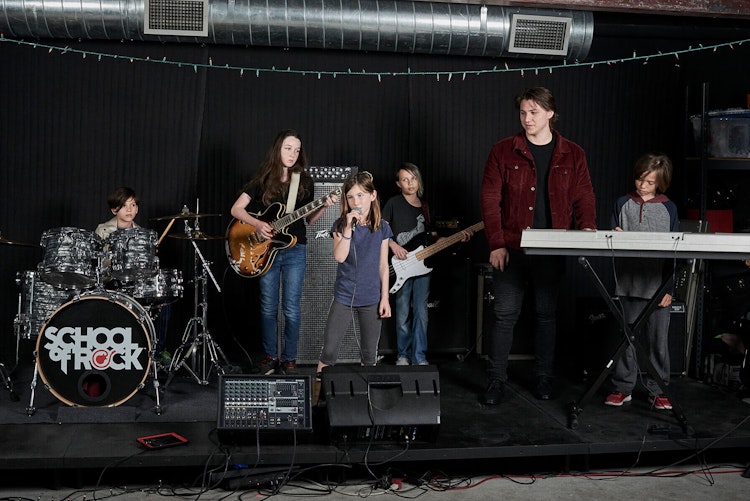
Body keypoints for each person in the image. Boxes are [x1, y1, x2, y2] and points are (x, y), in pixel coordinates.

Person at [480, 86, 597, 405]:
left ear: (550, 113)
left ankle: (544, 378)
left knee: (546, 314)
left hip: (552, 248)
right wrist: (496, 243)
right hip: (512, 248)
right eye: (523, 112)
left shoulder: (573, 153)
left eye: (533, 112)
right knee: (504, 315)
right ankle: (496, 381)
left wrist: (587, 227)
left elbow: (584, 195)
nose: (527, 118)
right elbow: (490, 199)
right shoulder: (503, 150)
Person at [230, 129, 336, 375]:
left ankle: (289, 359)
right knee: (268, 306)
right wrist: (258, 224)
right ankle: (270, 356)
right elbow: (236, 209)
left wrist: (323, 205)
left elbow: (309, 220)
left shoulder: (304, 181)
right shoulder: (262, 178)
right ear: (278, 149)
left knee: (291, 308)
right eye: (288, 148)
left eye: (297, 150)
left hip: (295, 249)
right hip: (265, 251)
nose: (293, 154)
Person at [604, 153, 679, 410]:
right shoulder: (622, 203)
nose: (642, 186)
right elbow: (612, 240)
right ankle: (623, 387)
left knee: (658, 342)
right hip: (628, 284)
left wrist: (668, 289)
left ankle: (659, 390)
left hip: (658, 287)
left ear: (660, 183)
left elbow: (674, 253)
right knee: (627, 339)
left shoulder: (669, 208)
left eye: (649, 182)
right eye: (639, 179)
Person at [382, 162, 472, 366]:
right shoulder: (393, 203)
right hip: (401, 265)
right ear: (398, 183)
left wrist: (454, 238)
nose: (410, 183)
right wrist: (393, 245)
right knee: (402, 311)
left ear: (418, 180)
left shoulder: (426, 206)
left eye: (413, 178)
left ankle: (419, 356)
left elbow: (432, 237)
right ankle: (403, 355)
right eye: (405, 179)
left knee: (421, 312)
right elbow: (381, 230)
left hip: (422, 266)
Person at [316, 171, 392, 375]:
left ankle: (364, 392)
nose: (356, 201)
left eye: (360, 195)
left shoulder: (383, 227)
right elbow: (340, 257)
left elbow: (383, 265)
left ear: (372, 195)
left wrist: (385, 298)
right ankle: (318, 391)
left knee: (369, 354)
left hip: (371, 298)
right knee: (329, 351)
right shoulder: (341, 225)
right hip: (344, 296)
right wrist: (348, 228)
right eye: (350, 197)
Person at [95, 187, 172, 366]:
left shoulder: (142, 234)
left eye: (133, 205)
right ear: (114, 210)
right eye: (124, 206)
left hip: (136, 284)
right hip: (111, 283)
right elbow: (97, 263)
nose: (129, 210)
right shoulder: (103, 230)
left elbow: (149, 268)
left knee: (164, 301)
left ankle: (157, 350)